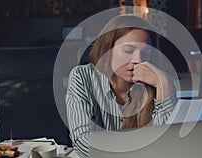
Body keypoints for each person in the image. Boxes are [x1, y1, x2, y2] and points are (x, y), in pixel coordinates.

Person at [66, 14, 176, 157]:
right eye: (128, 51)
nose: (138, 60)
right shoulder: (82, 77)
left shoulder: (157, 83)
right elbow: (83, 142)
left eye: (146, 53)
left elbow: (166, 145)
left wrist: (164, 85)